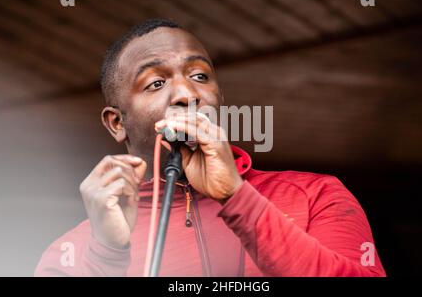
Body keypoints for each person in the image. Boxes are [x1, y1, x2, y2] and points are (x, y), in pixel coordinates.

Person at [35, 19, 386, 277]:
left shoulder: (316, 195)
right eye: (156, 82)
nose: (188, 94)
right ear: (116, 122)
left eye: (200, 76)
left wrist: (237, 197)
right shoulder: (73, 252)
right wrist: (107, 255)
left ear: (221, 99)